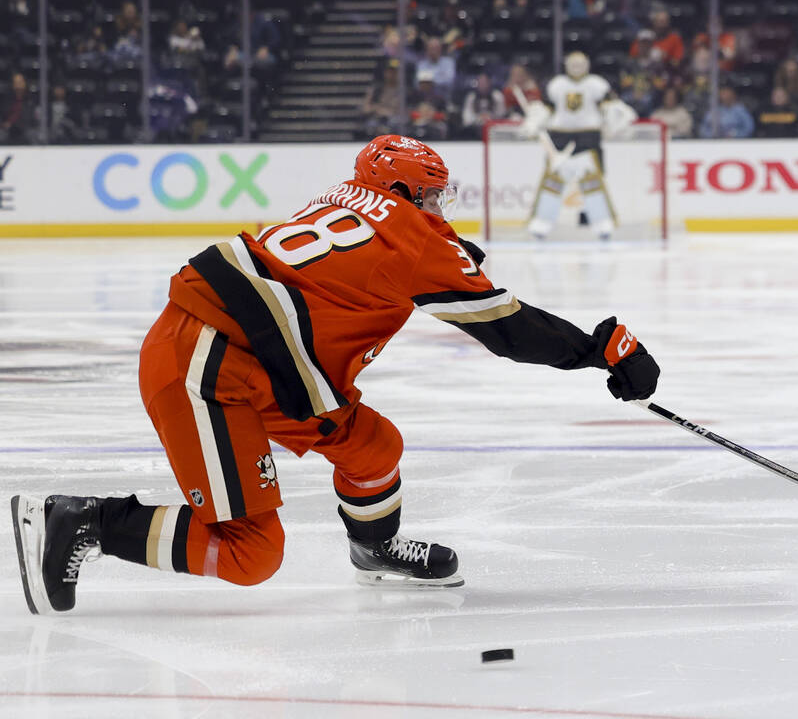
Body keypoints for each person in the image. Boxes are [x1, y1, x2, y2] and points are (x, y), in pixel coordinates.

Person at [11, 135, 661, 615]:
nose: (440, 208)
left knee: (373, 446)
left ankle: (374, 550)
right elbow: (508, 328)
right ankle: (83, 522)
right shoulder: (414, 237)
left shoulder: (343, 201)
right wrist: (602, 350)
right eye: (432, 196)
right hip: (208, 365)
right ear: (405, 195)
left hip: (252, 353)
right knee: (251, 552)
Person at [519, 51, 637, 240]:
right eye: (572, 63)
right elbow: (546, 108)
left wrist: (619, 118)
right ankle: (542, 223)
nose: (576, 67)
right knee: (552, 183)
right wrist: (533, 121)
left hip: (588, 136)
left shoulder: (597, 84)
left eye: (580, 63)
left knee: (593, 182)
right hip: (559, 137)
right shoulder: (556, 85)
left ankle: (602, 224)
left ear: (588, 64)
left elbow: (609, 106)